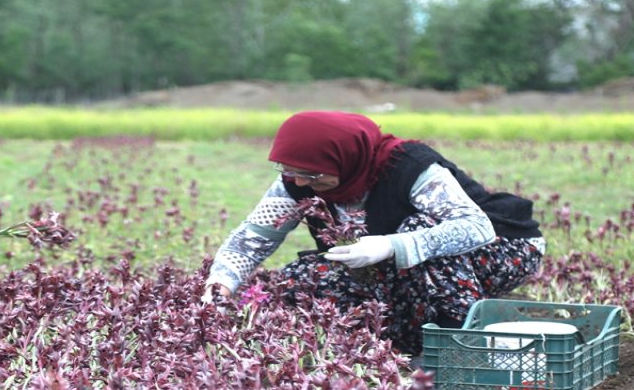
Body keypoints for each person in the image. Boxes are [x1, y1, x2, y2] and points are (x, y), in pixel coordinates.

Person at [201, 111, 544, 355]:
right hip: (401, 264)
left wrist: (391, 245)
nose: (301, 182)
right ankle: (404, 339)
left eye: (313, 175)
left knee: (420, 228)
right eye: (290, 171)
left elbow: (474, 227)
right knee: (299, 278)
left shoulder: (409, 167)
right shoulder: (298, 179)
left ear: (344, 160)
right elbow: (253, 237)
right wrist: (221, 283)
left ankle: (456, 345)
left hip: (502, 248)